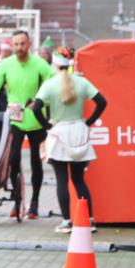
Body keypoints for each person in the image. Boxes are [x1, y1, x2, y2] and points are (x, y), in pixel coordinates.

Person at [32, 47, 108, 233]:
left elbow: (36, 108)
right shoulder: (82, 82)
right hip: (79, 131)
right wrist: (89, 121)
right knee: (79, 179)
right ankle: (89, 220)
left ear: (55, 63)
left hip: (58, 132)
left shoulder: (49, 84)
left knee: (61, 179)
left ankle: (66, 221)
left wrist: (46, 125)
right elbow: (102, 102)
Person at [0, 29, 55, 219]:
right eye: (16, 44)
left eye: (23, 44)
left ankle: (34, 203)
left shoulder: (40, 64)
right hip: (15, 118)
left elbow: (53, 86)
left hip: (36, 119)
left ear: (29, 44)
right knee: (13, 159)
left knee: (36, 162)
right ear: (11, 45)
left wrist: (43, 102)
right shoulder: (5, 65)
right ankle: (17, 200)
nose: (19, 48)